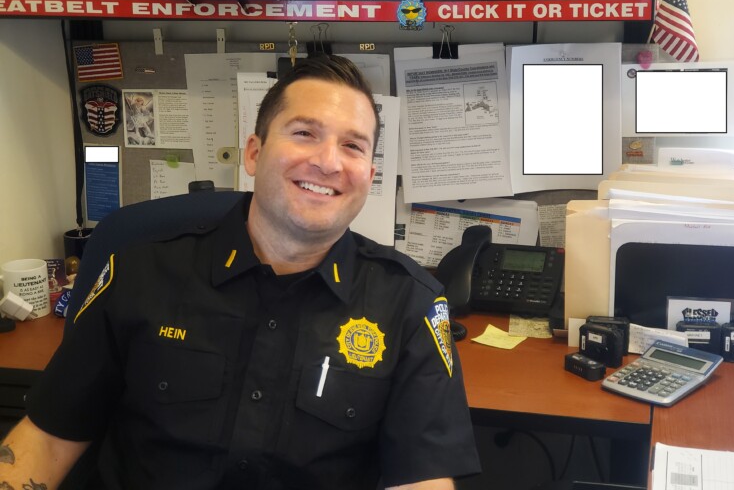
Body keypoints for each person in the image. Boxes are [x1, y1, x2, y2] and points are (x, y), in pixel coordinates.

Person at [0, 55, 480, 490]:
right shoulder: (138, 273)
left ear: (368, 177)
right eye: (304, 133)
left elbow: (423, 480)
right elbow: (47, 437)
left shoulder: (411, 305)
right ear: (254, 152)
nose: (329, 161)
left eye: (353, 146)